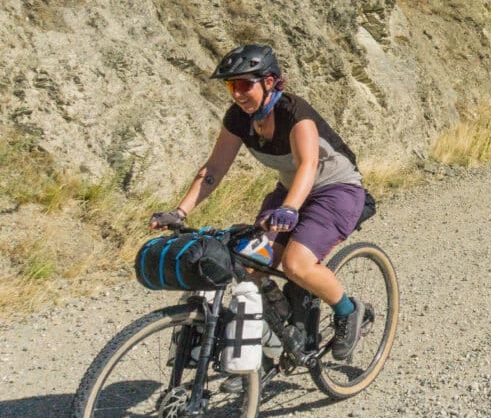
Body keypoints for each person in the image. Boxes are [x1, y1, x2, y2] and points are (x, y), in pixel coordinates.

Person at [149, 44, 368, 365]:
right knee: (248, 261)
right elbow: (214, 168)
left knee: (296, 264)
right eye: (231, 86)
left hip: (335, 190)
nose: (237, 94)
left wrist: (290, 209)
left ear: (269, 82)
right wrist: (180, 211)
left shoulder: (295, 113)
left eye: (244, 84)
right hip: (289, 191)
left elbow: (308, 165)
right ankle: (282, 321)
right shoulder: (239, 118)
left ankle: (348, 311)